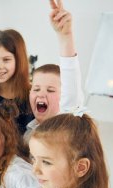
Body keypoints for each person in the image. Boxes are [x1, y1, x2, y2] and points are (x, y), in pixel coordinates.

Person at [25, 0, 84, 140]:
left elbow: (71, 83)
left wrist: (66, 36)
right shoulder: (28, 129)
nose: (41, 95)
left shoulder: (65, 127)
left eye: (50, 90)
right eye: (36, 89)